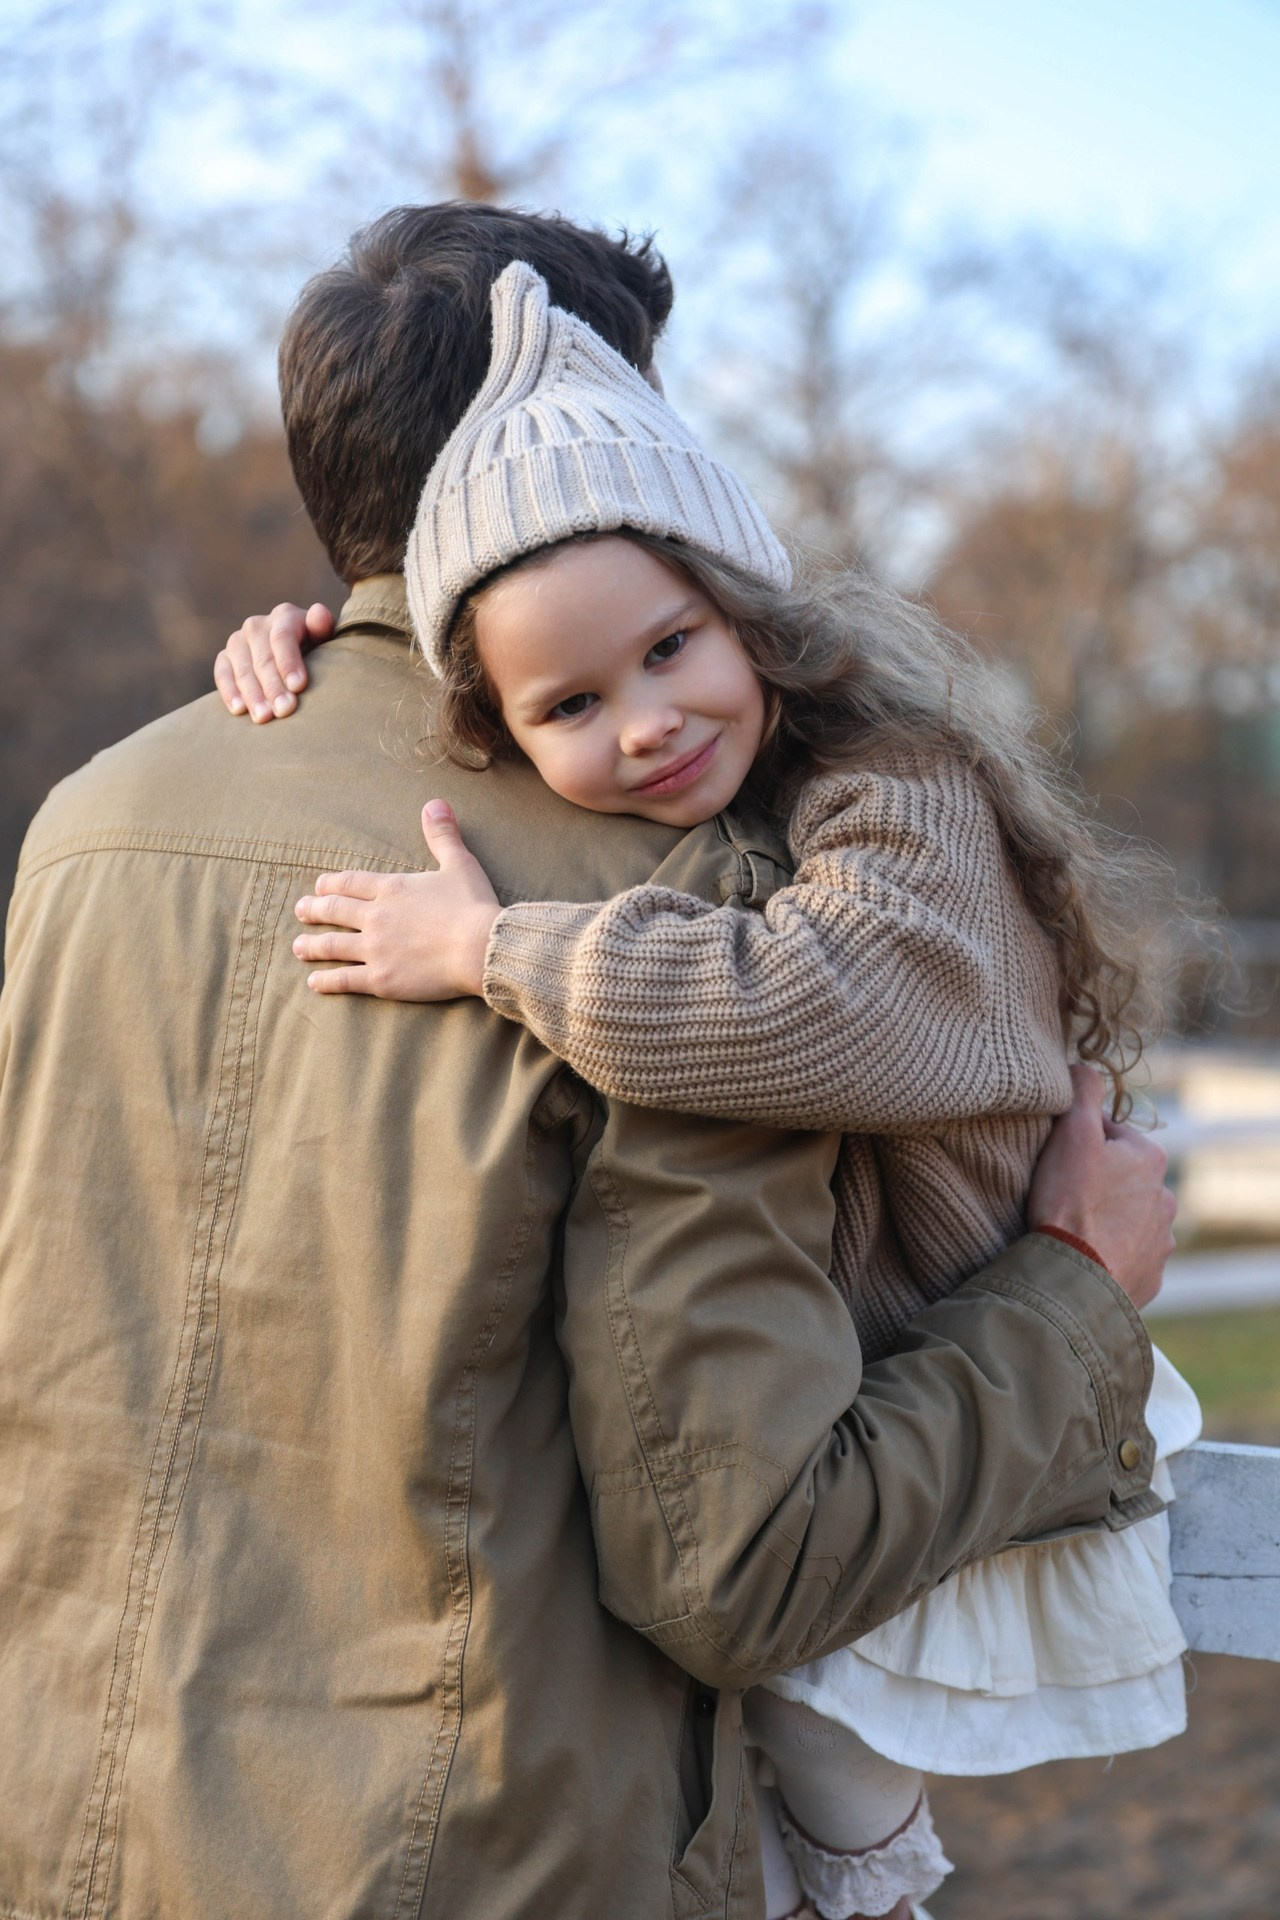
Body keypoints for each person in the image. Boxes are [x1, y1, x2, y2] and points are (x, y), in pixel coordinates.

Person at [0, 205, 1174, 1920]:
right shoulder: (687, 903)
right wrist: (1076, 1295)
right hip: (488, 1862)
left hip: (62, 1837)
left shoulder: (83, 828)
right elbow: (745, 1569)